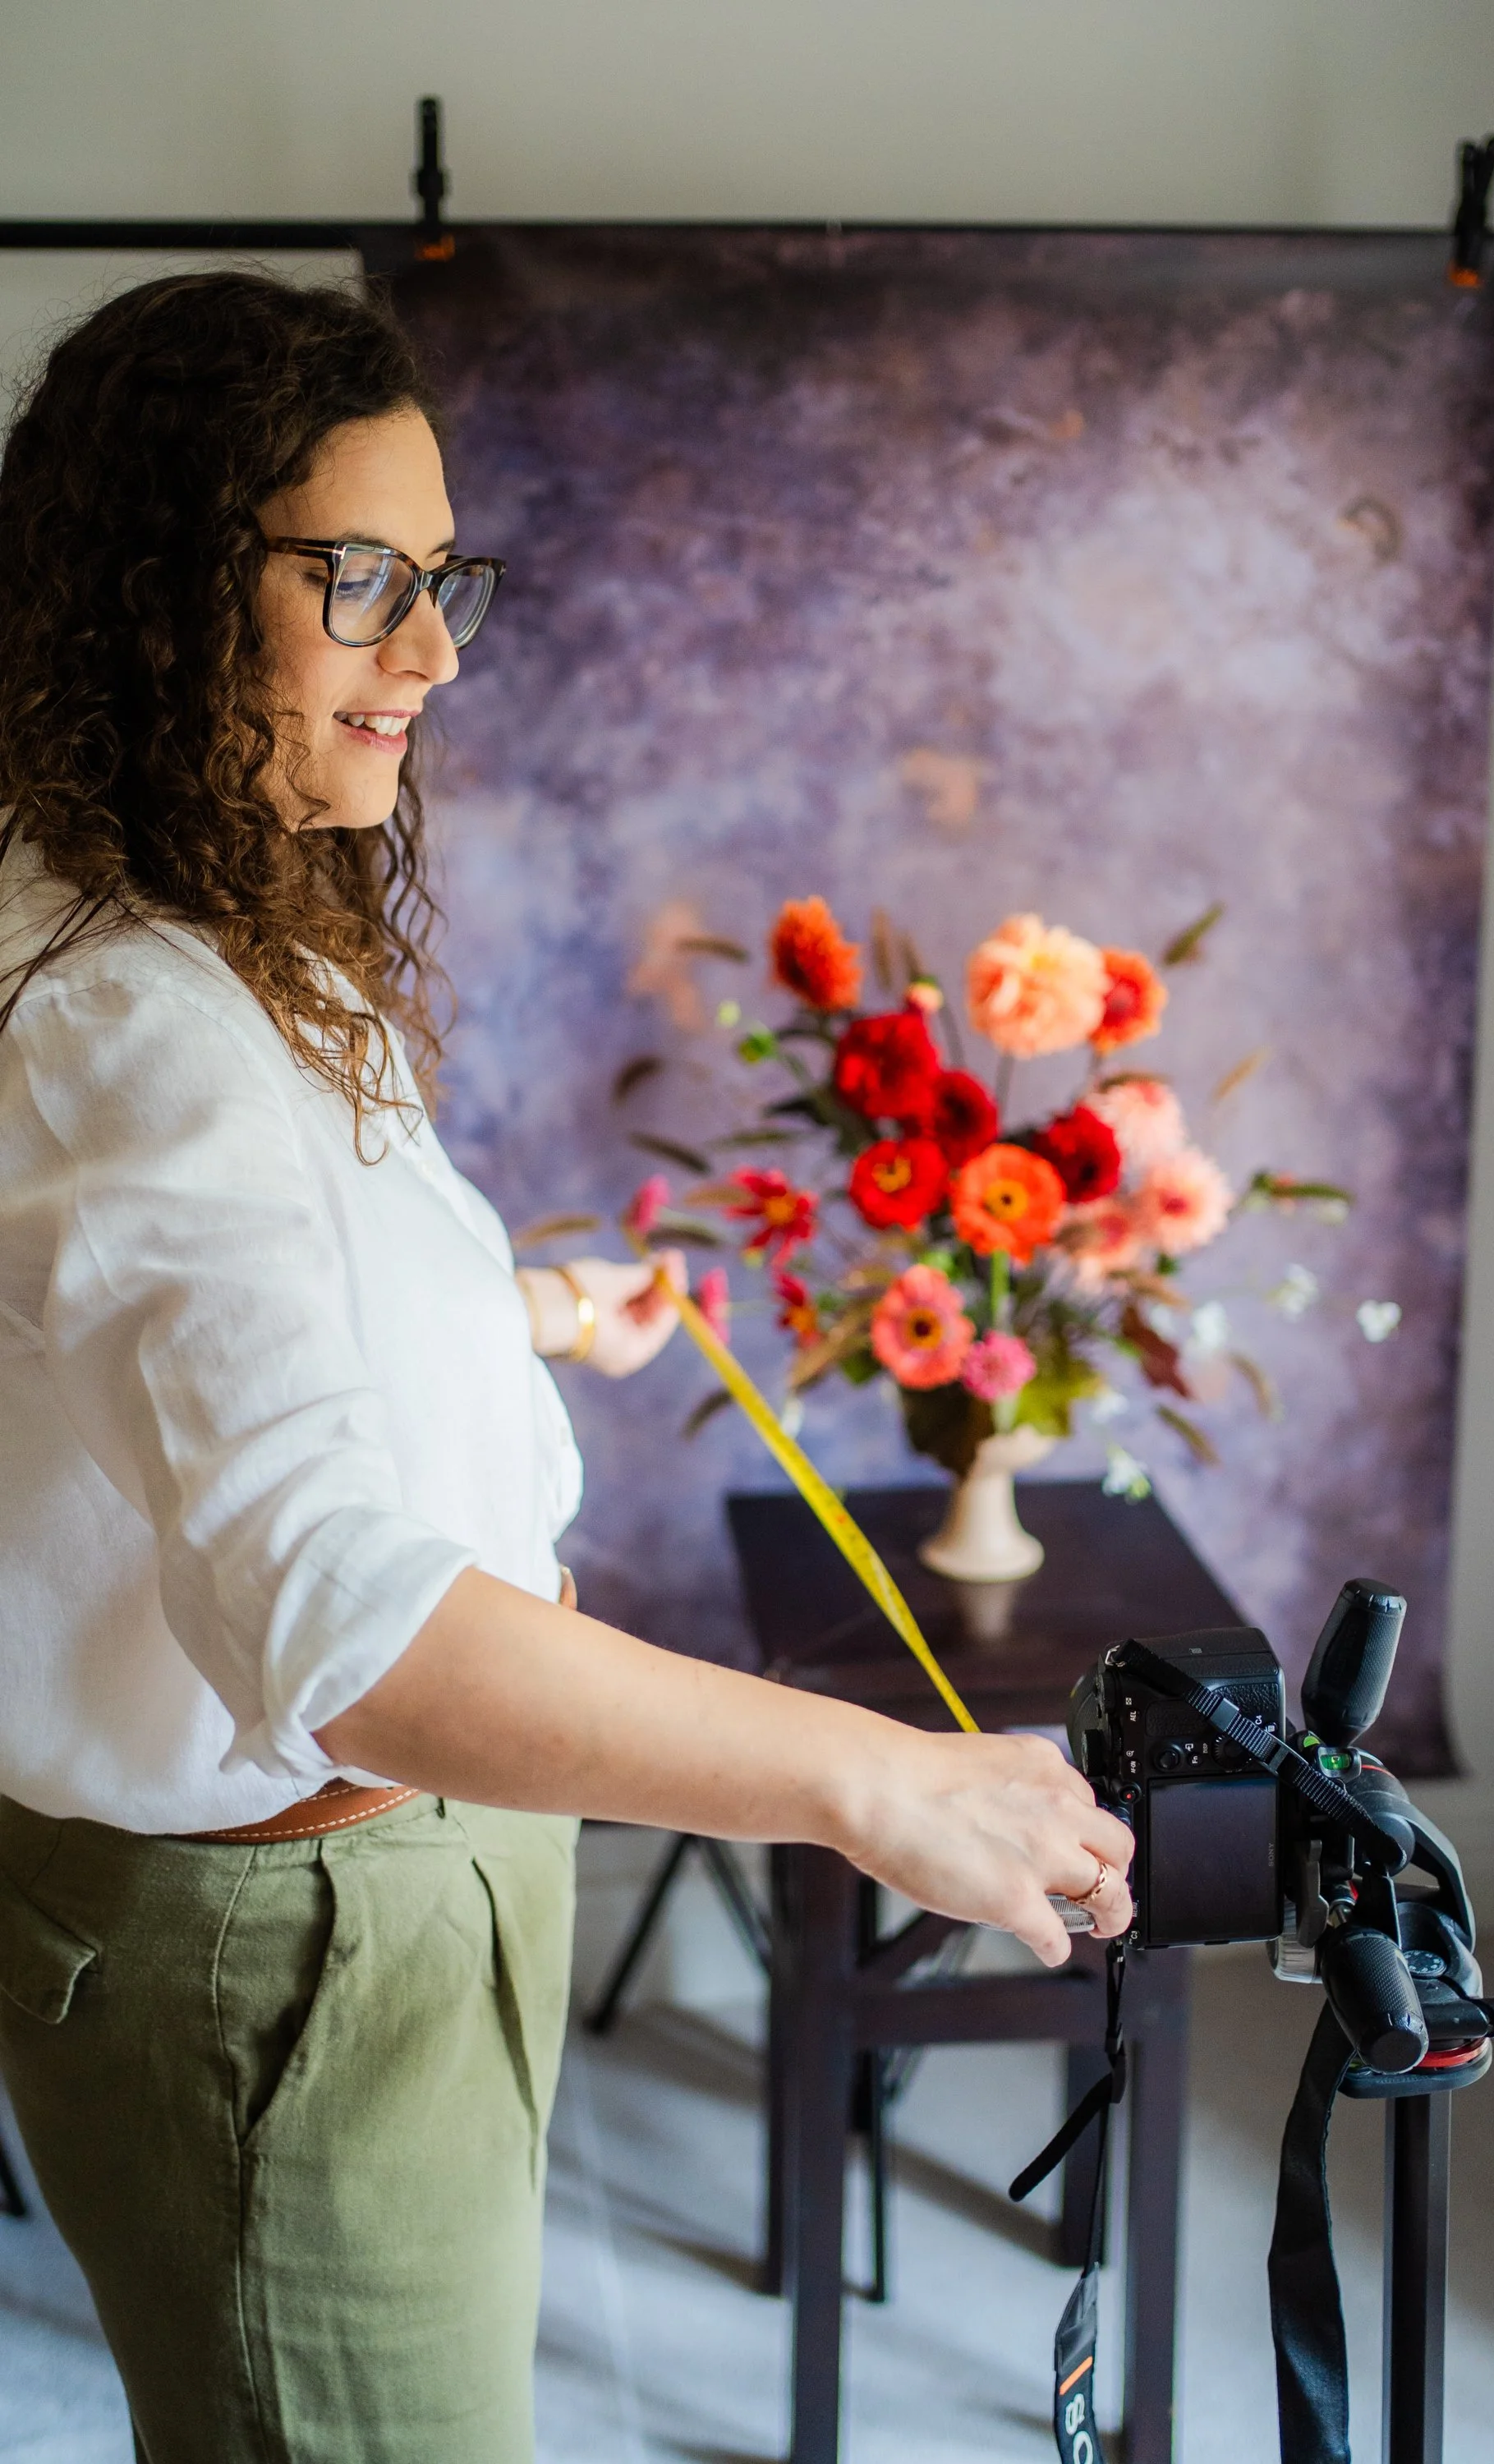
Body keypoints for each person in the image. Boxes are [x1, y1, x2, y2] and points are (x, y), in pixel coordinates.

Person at [0, 271, 1133, 2464]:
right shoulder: (124, 1013)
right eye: (359, 582)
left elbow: (154, 1350)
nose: (427, 652)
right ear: (149, 585)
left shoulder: (165, 907)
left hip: (364, 1897)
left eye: (443, 584)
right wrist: (868, 1776)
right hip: (298, 1940)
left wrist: (510, 1313)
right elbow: (333, 1615)